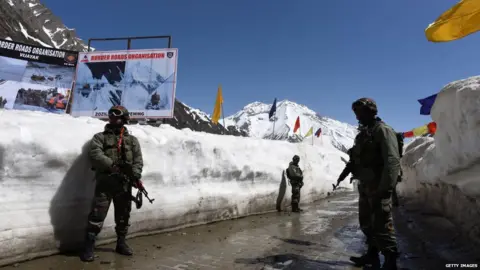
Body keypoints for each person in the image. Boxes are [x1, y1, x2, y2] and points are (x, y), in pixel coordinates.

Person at [80, 105, 144, 262]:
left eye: (117, 116)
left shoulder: (132, 141)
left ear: (124, 119)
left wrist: (134, 174)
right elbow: (95, 154)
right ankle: (88, 247)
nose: (113, 118)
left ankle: (121, 243)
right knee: (97, 215)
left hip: (124, 184)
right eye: (111, 115)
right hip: (106, 183)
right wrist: (112, 165)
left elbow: (138, 160)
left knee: (123, 215)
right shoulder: (99, 137)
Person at [348, 98, 400, 270]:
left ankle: (391, 260)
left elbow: (392, 160)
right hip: (366, 186)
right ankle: (372, 254)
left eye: (360, 112)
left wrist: (385, 188)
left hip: (379, 186)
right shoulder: (364, 134)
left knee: (382, 224)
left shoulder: (382, 131)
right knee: (367, 223)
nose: (357, 116)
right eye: (355, 113)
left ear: (371, 111)